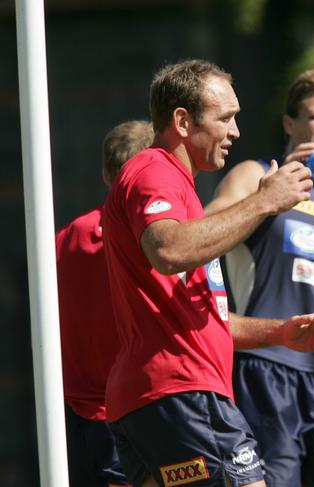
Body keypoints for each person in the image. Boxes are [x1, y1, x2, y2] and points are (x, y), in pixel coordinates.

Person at [101, 59, 314, 487]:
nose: (235, 132)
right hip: (183, 392)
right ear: (182, 120)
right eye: (225, 118)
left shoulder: (181, 188)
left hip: (159, 397)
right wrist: (264, 202)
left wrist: (279, 332)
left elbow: (199, 316)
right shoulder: (154, 170)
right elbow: (169, 250)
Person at [206, 69, 314, 487]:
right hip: (267, 372)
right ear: (290, 123)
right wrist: (266, 199)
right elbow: (202, 231)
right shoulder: (257, 175)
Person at [56, 119, 154, 487]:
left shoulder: (65, 237)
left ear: (104, 174)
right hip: (130, 412)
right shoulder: (147, 238)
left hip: (70, 417)